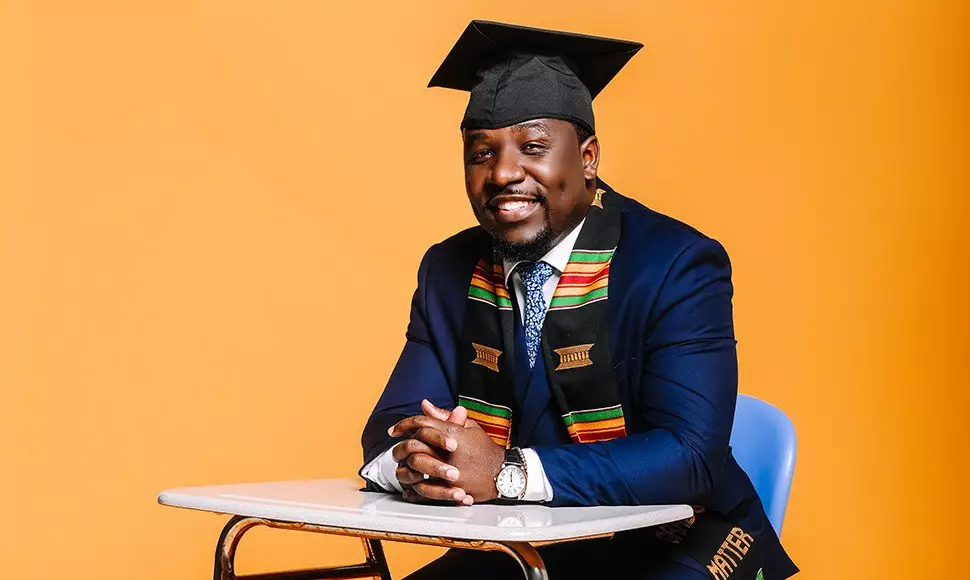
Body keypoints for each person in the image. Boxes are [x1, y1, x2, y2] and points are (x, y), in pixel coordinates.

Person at [358, 20, 798, 580]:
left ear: (587, 156)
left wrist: (506, 473)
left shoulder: (676, 264)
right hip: (532, 542)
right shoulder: (448, 269)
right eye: (481, 152)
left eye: (533, 147)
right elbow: (389, 427)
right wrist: (424, 463)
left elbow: (691, 457)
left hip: (680, 533)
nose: (503, 173)